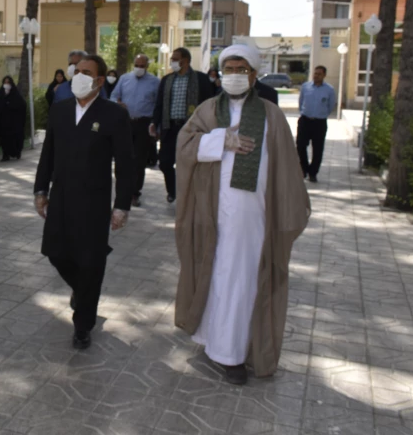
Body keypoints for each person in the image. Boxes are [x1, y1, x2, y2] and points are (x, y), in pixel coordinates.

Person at [174, 44, 310, 385]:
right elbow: (184, 145)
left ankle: (233, 353)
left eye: (242, 69)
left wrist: (286, 212)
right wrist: (221, 140)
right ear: (219, 75)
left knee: (242, 281)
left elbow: (287, 167)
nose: (235, 76)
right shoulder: (207, 110)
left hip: (253, 218)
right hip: (211, 214)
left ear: (254, 74)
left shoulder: (271, 114)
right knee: (216, 276)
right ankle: (216, 344)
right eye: (228, 69)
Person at [34, 54, 135, 350]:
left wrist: (122, 206)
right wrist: (41, 190)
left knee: (90, 263)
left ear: (100, 81)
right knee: (55, 252)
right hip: (61, 196)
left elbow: (126, 164)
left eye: (86, 72)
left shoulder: (114, 115)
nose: (78, 76)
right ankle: (82, 290)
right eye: (77, 71)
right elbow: (47, 154)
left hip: (94, 201)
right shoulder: (60, 110)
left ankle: (83, 324)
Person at [150, 48, 216, 203]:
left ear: (185, 61)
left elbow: (209, 104)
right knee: (165, 162)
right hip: (169, 127)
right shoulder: (167, 80)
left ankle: (187, 193)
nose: (172, 61)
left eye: (175, 58)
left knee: (187, 163)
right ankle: (172, 190)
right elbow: (159, 104)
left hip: (191, 129)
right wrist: (154, 122)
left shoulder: (200, 79)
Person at [110, 54, 159, 207]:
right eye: (137, 65)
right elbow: (113, 96)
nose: (139, 68)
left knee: (139, 160)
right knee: (122, 157)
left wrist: (155, 126)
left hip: (143, 124)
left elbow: (158, 104)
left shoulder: (155, 82)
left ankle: (135, 193)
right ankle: (121, 190)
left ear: (147, 66)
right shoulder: (124, 79)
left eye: (142, 65)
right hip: (125, 123)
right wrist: (117, 104)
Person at [297, 65, 336, 183]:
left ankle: (313, 173)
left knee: (318, 149)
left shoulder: (329, 90)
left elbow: (331, 106)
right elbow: (300, 102)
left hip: (319, 122)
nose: (316, 76)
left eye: (319, 74)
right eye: (315, 73)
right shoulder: (305, 87)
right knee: (300, 146)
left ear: (324, 75)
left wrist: (321, 114)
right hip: (305, 120)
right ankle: (304, 169)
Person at [0, 75, 26, 161]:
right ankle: (5, 155)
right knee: (4, 137)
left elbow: (21, 104)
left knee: (15, 136)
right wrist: (4, 97)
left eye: (8, 82)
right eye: (5, 82)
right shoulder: (1, 92)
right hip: (4, 120)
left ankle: (17, 152)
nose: (6, 84)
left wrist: (10, 104)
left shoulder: (15, 93)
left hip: (14, 121)